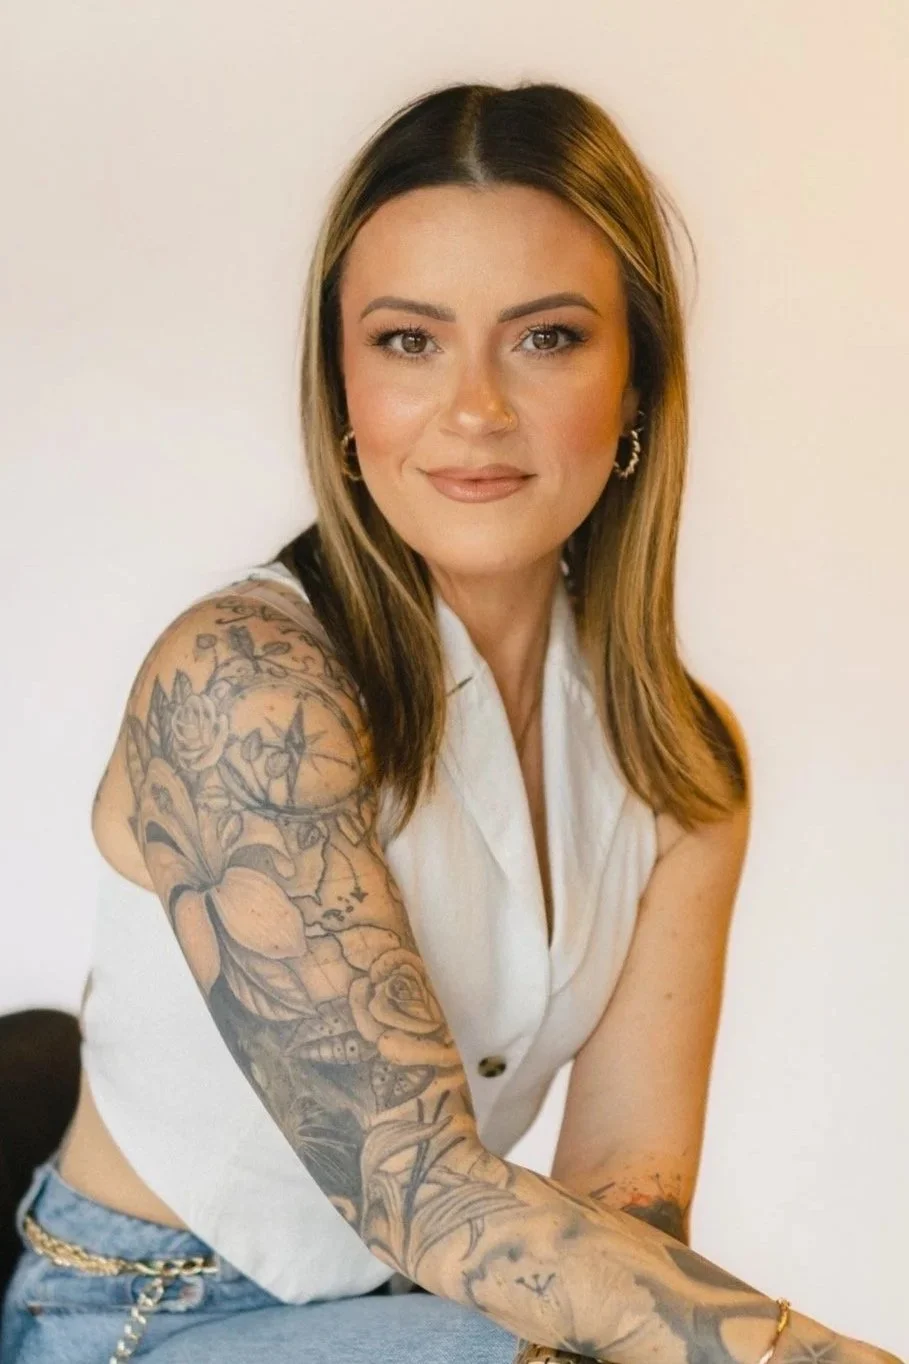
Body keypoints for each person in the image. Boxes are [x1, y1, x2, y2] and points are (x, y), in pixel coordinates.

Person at [0, 78, 900, 1364]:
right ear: (343, 390)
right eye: (409, 341)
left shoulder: (682, 768)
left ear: (637, 381)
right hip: (137, 1318)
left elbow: (620, 1215)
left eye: (545, 337)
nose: (473, 409)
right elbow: (421, 1185)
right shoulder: (243, 684)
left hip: (432, 1325)